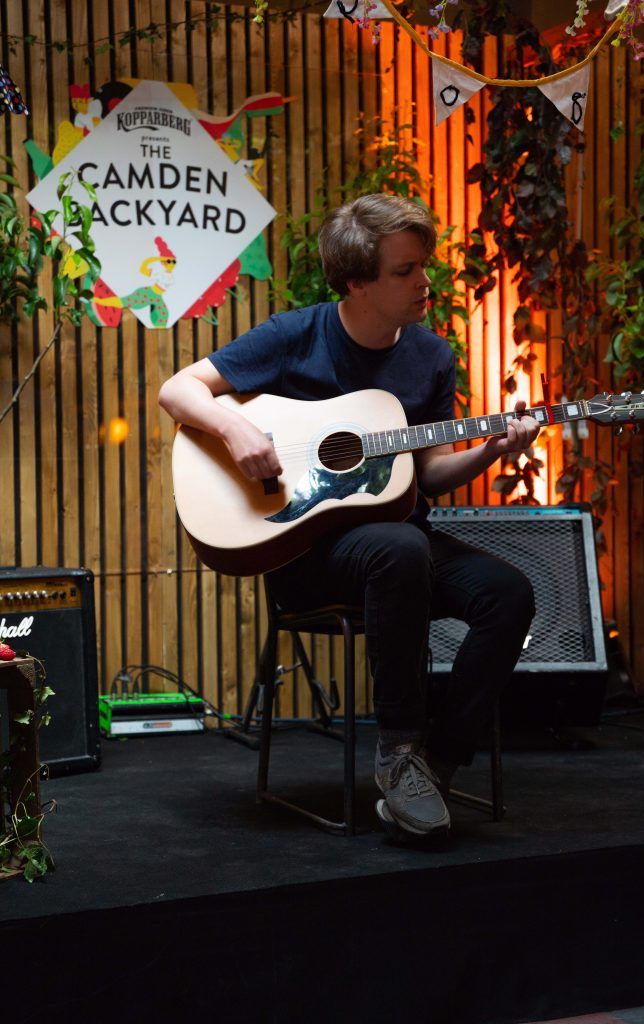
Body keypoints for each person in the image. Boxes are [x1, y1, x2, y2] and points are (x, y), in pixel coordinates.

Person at [158, 193, 539, 841]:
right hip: (305, 555)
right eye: (405, 271)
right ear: (357, 282)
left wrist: (492, 451)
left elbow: (428, 473)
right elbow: (177, 389)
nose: (425, 282)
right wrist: (234, 429)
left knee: (507, 593)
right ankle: (397, 746)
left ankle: (433, 765)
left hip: (398, 550)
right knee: (400, 547)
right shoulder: (295, 334)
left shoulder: (430, 358)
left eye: (424, 266)